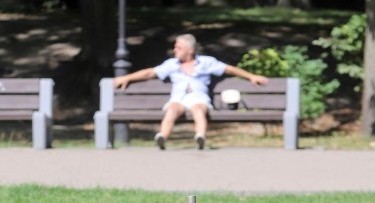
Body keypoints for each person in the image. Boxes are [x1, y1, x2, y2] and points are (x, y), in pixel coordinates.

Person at [113, 34, 268, 150]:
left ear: (190, 50)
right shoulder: (171, 64)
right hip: (178, 99)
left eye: (178, 47)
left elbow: (229, 69)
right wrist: (127, 77)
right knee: (172, 110)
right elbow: (149, 73)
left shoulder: (206, 63)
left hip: (199, 98)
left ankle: (200, 137)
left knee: (198, 110)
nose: (175, 50)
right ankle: (162, 137)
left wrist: (251, 77)